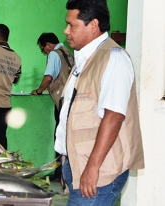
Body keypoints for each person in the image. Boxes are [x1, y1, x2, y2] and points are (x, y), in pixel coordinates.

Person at [56, 0, 145, 205]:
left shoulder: (113, 58)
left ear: (93, 25)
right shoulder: (84, 60)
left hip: (98, 172)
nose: (66, 30)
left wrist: (92, 168)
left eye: (72, 25)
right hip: (78, 165)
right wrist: (67, 164)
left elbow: (113, 117)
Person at [32, 32, 74, 182]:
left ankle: (60, 173)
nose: (44, 52)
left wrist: (38, 91)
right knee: (69, 136)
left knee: (61, 136)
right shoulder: (69, 52)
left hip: (62, 99)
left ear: (48, 45)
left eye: (42, 49)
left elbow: (48, 77)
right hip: (73, 99)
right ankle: (68, 173)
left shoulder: (54, 54)